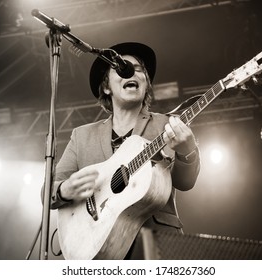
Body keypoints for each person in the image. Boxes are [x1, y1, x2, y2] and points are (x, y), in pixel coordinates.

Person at [48, 42, 200, 259]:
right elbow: (48, 193)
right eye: (121, 68)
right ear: (106, 87)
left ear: (146, 84)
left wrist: (188, 151)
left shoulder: (167, 125)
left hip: (158, 245)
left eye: (138, 70)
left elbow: (186, 182)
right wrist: (64, 190)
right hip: (97, 249)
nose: (131, 72)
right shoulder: (82, 136)